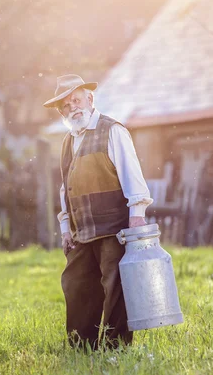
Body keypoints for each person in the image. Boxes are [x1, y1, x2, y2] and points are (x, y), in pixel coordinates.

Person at [43, 74, 153, 351]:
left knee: (116, 286)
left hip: (114, 228)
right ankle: (82, 346)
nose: (73, 108)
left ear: (90, 99)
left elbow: (133, 177)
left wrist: (137, 220)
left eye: (76, 100)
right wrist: (65, 229)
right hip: (81, 230)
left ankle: (116, 348)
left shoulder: (112, 130)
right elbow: (65, 188)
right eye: (66, 106)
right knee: (76, 283)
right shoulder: (68, 140)